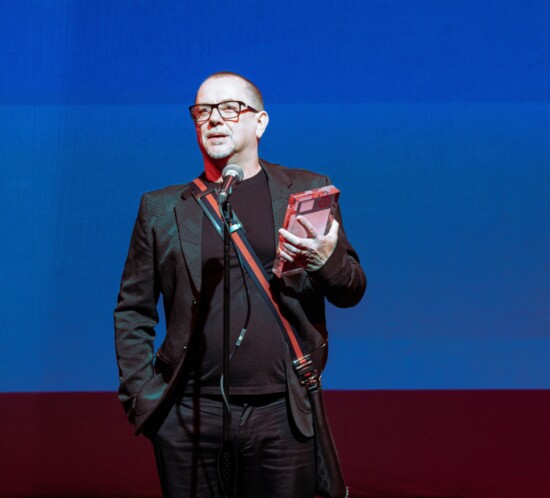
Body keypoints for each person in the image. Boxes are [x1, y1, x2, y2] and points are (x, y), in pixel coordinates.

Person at [114, 72, 366, 498]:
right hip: (189, 413)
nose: (215, 119)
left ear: (260, 122)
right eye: (203, 111)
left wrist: (327, 261)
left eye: (230, 108)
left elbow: (351, 290)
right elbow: (133, 310)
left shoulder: (307, 190)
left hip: (282, 412)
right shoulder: (160, 208)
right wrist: (145, 398)